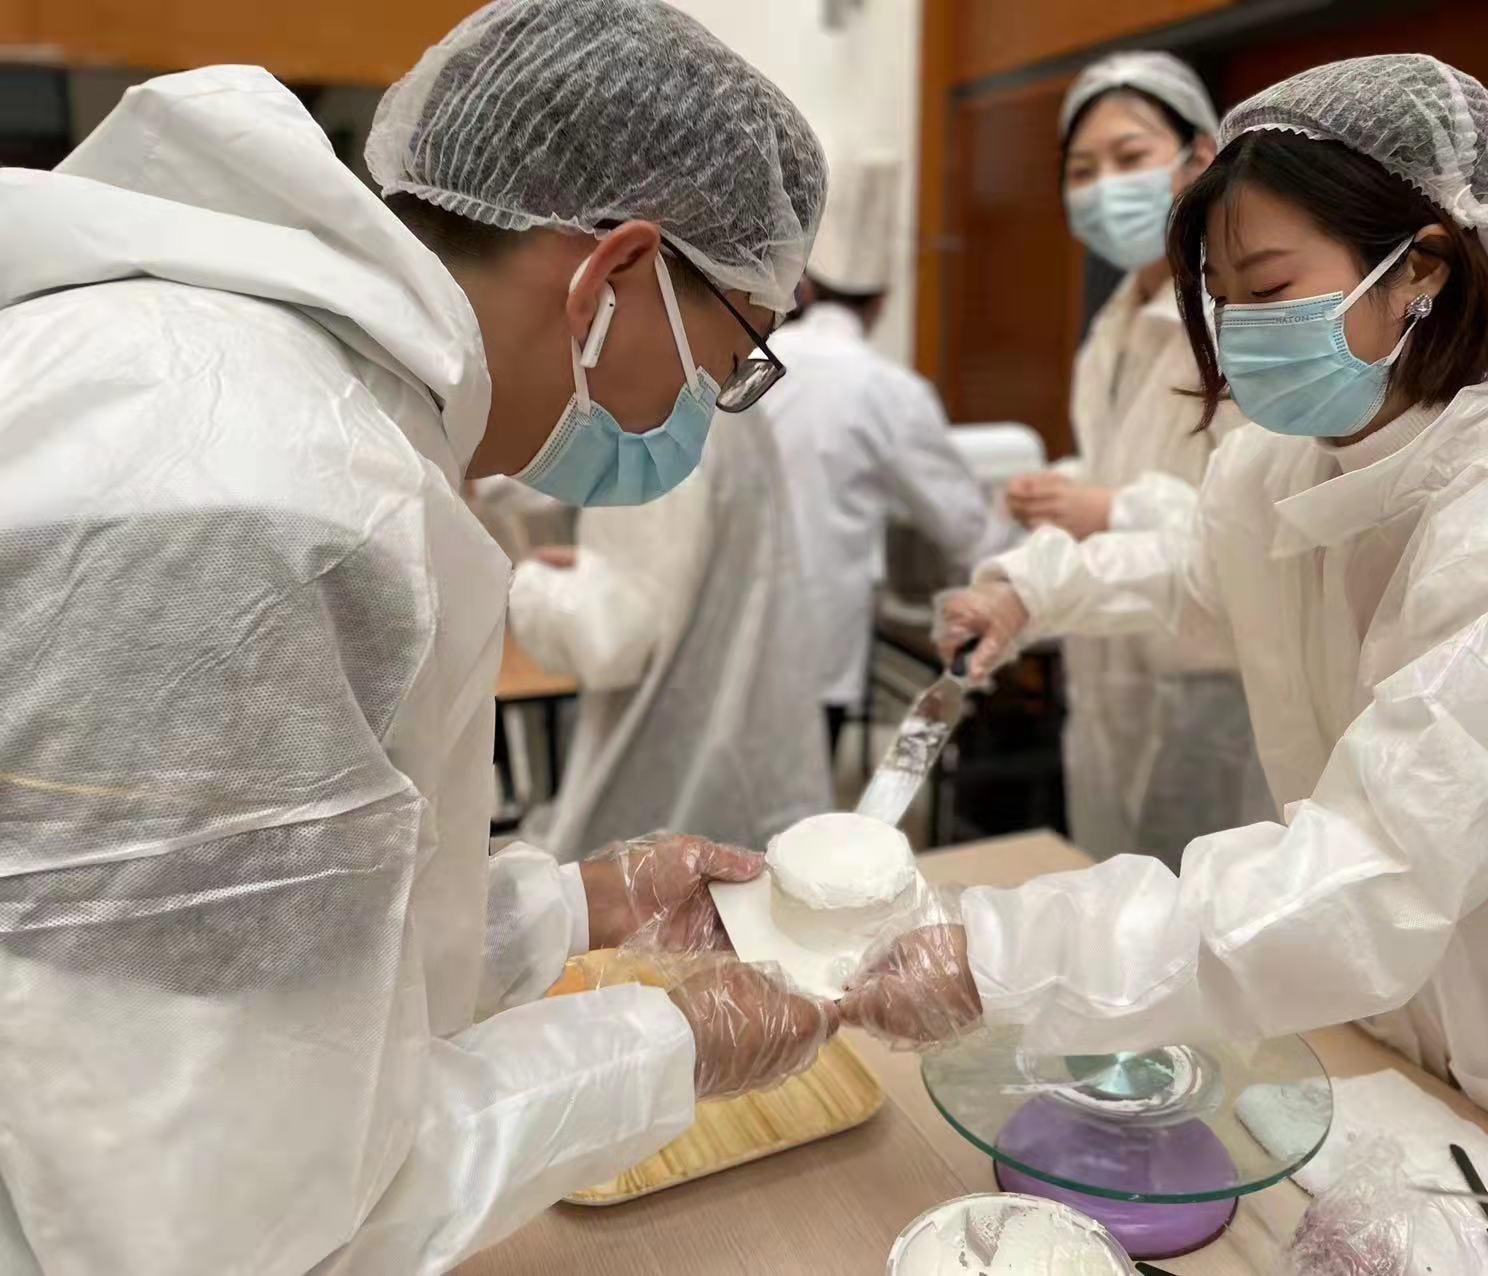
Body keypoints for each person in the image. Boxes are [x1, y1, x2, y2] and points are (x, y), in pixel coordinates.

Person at [0, 2, 840, 1271]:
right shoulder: (274, 490)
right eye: (725, 360)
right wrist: (674, 1046)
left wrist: (576, 905)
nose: (700, 412)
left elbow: (268, 966)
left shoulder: (243, 388)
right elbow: (232, 1215)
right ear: (612, 278)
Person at [845, 54, 1488, 1215]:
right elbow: (1193, 572)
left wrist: (997, 957)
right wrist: (1031, 591)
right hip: (1401, 1029)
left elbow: (1374, 866)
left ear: (1422, 273)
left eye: (1268, 284)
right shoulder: (1285, 461)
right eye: (1221, 294)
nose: (1238, 328)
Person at [1005, 51, 1268, 866]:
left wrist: (1108, 509)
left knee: (1197, 921)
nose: (1103, 187)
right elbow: (1128, 459)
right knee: (1114, 894)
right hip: (1111, 669)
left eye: (1129, 158)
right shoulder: (1114, 328)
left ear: (1199, 160)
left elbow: (1257, 525)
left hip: (1210, 685)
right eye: (1082, 170)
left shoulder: (1244, 325)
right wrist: (1069, 490)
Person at [496, 398, 832, 857]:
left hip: (671, 764)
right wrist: (597, 568)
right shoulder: (728, 406)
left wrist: (522, 583)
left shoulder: (657, 415)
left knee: (667, 900)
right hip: (744, 732)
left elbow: (612, 642)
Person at [763, 156, 1016, 758]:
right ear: (882, 301)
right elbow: (961, 526)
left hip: (721, 631)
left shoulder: (752, 356)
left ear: (810, 285)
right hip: (815, 638)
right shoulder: (888, 390)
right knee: (792, 822)